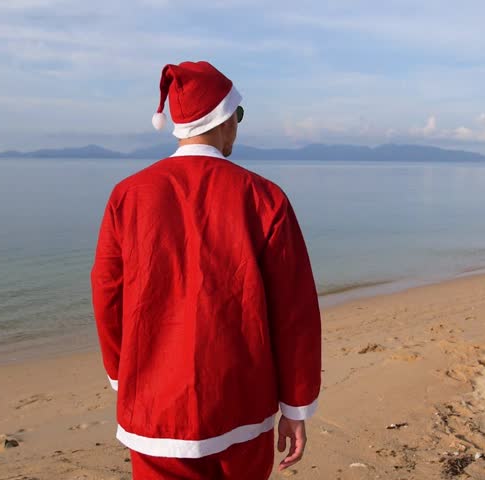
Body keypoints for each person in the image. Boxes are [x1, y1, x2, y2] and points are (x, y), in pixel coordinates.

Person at [91, 60, 321, 479]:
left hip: (154, 407)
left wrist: (124, 378)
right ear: (226, 119)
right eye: (239, 114)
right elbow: (295, 312)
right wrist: (296, 405)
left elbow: (107, 292)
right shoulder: (265, 198)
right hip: (241, 403)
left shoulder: (128, 195)